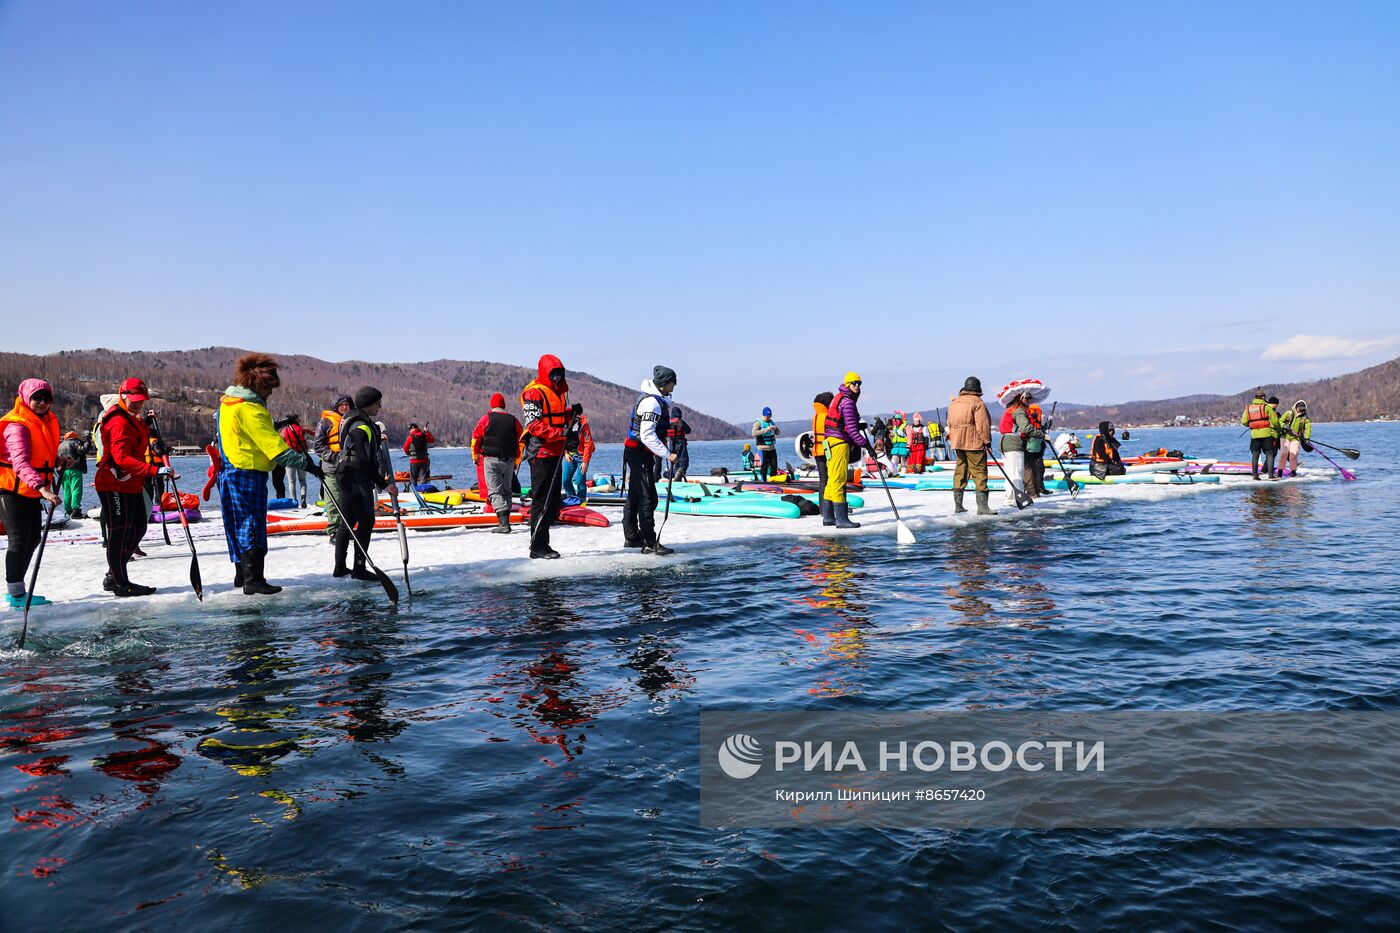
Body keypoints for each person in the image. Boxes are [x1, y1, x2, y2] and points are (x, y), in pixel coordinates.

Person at [216, 353, 318, 594]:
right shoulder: (250, 409)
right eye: (270, 388)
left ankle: (242, 575)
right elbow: (276, 449)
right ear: (259, 385)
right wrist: (308, 464)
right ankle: (254, 580)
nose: (271, 393)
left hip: (229, 471)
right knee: (251, 523)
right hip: (248, 473)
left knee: (236, 523)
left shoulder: (227, 405)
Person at [93, 378, 162, 597]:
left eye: (141, 401)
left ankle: (115, 575)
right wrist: (154, 471)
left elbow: (137, 439)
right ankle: (122, 584)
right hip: (113, 482)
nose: (138, 404)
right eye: (134, 400)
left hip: (131, 482)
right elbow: (121, 457)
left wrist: (149, 427)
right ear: (122, 396)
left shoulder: (133, 419)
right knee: (118, 532)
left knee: (139, 526)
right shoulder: (118, 421)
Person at [1, 378, 65, 609]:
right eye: (37, 397)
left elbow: (39, 456)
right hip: (11, 488)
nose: (42, 402)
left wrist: (58, 461)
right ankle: (16, 594)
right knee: (19, 540)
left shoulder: (42, 421)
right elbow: (19, 462)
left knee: (33, 538)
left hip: (31, 488)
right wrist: (42, 488)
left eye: (47, 398)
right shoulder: (17, 425)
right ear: (26, 397)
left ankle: (18, 589)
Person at [334, 387, 392, 580]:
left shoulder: (354, 420)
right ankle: (359, 568)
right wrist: (383, 484)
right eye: (377, 403)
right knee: (366, 521)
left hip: (344, 474)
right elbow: (363, 460)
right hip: (355, 476)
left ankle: (340, 567)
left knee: (348, 521)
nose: (380, 406)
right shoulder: (361, 426)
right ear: (368, 404)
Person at [623, 365, 678, 555]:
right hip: (638, 453)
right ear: (664, 384)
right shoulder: (652, 404)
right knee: (648, 498)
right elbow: (647, 435)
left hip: (637, 452)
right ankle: (649, 542)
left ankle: (631, 537)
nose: (675, 385)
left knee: (635, 496)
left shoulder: (656, 400)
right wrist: (667, 454)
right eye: (672, 382)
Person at [520, 354, 571, 559]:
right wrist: (560, 434)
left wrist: (570, 414)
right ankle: (537, 547)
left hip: (556, 451)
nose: (557, 378)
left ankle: (543, 543)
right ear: (545, 373)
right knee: (541, 501)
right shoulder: (534, 392)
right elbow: (534, 424)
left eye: (560, 374)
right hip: (540, 452)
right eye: (553, 374)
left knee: (552, 502)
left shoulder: (559, 391)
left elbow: (556, 416)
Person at [823, 372, 871, 529]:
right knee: (839, 479)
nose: (857, 386)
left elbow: (847, 423)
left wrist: (859, 425)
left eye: (859, 383)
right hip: (838, 443)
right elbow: (851, 430)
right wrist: (867, 445)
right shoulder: (848, 402)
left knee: (831, 479)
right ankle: (842, 519)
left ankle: (828, 517)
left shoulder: (839, 398)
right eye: (854, 383)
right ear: (847, 384)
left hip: (830, 442)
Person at [471, 393, 524, 533]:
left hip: (491, 459)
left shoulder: (486, 419)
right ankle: (505, 522)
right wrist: (517, 461)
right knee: (507, 490)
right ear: (504, 405)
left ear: (492, 404)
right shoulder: (513, 420)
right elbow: (521, 441)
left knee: (495, 491)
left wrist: (475, 455)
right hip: (509, 460)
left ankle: (503, 524)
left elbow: (476, 438)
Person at [947, 376, 995, 515]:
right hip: (974, 443)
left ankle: (958, 505)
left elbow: (949, 423)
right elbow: (983, 425)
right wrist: (987, 441)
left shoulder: (954, 403)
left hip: (958, 443)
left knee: (960, 471)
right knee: (979, 472)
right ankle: (983, 508)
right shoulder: (978, 402)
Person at [312, 395, 352, 541]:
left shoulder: (351, 421)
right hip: (331, 468)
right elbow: (318, 446)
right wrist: (335, 457)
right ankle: (334, 531)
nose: (345, 407)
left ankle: (346, 528)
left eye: (347, 405)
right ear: (336, 406)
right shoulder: (326, 422)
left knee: (347, 499)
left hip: (348, 467)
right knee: (334, 499)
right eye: (342, 405)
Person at [998, 391, 1035, 507]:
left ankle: (1010, 499)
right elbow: (1026, 428)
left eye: (1030, 398)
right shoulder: (1018, 411)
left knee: (1009, 473)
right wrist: (1042, 435)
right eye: (1027, 398)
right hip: (1014, 444)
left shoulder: (1009, 410)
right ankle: (1019, 500)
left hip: (1004, 443)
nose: (1029, 401)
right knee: (1017, 472)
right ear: (1020, 399)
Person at [1240, 389, 1282, 480]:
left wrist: (1252, 425)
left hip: (1254, 435)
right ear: (1263, 397)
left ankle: (1255, 476)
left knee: (1255, 454)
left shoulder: (1248, 408)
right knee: (1269, 454)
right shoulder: (1266, 407)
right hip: (1266, 434)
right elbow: (1275, 421)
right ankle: (1270, 475)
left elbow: (1243, 421)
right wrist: (1278, 429)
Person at [561, 403, 595, 502]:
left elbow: (588, 444)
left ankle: (582, 503)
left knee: (580, 481)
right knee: (566, 480)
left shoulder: (583, 425)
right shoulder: (564, 424)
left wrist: (585, 462)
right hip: (570, 456)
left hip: (582, 456)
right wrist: (566, 453)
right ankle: (572, 499)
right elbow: (563, 440)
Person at [56, 430, 89, 519]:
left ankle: (68, 510)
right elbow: (83, 450)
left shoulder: (60, 445)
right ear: (75, 437)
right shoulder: (76, 442)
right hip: (75, 468)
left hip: (63, 471)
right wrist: (87, 441)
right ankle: (76, 509)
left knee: (67, 490)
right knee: (76, 488)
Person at [279, 414, 310, 507]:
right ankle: (303, 499)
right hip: (301, 456)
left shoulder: (284, 431)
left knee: (291, 481)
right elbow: (313, 434)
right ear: (296, 420)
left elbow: (279, 441)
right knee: (303, 480)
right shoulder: (302, 429)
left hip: (289, 458)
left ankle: (294, 501)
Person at [811, 391, 834, 510]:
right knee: (832, 479)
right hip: (828, 450)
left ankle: (822, 507)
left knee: (822, 479)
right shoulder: (827, 416)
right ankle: (831, 506)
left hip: (817, 450)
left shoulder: (815, 416)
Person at [1278, 400, 1313, 476]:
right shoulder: (1289, 413)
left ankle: (1293, 471)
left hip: (1296, 438)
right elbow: (1280, 421)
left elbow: (1308, 428)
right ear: (1296, 407)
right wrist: (1284, 426)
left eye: (1303, 409)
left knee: (1293, 454)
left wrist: (1307, 438)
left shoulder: (1305, 418)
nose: (1301, 411)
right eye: (1300, 409)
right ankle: (1280, 471)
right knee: (1283, 454)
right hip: (1285, 436)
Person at [1026, 403, 1051, 496]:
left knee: (1040, 468)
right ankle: (1033, 489)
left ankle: (1040, 487)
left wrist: (1048, 424)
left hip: (1039, 446)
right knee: (1032, 468)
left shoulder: (1036, 420)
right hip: (1031, 447)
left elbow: (1041, 429)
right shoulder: (1030, 417)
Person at [402, 422, 436, 488]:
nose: (409, 432)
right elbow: (432, 440)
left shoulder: (410, 437)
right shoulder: (424, 435)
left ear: (412, 428)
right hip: (424, 461)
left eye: (410, 430)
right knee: (423, 479)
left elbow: (405, 448)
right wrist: (427, 432)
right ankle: (423, 493)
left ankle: (414, 493)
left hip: (414, 461)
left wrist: (409, 454)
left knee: (413, 479)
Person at [752, 407, 780, 481]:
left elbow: (778, 433)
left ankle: (773, 479)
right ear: (763, 415)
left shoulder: (771, 422)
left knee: (774, 466)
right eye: (767, 416)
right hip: (762, 448)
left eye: (770, 416)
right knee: (764, 465)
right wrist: (766, 429)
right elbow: (754, 433)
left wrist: (776, 430)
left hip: (772, 448)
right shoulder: (758, 422)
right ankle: (763, 481)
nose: (768, 418)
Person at [664, 406, 691, 481]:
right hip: (680, 443)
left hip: (671, 443)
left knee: (675, 461)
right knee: (684, 462)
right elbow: (688, 430)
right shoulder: (681, 421)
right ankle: (679, 473)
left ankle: (674, 475)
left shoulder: (668, 422)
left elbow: (664, 432)